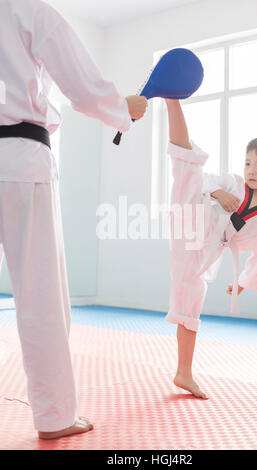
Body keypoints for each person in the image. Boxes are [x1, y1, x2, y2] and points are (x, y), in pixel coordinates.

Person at [0, 0, 147, 440]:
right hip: (20, 160)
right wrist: (124, 108)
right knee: (40, 294)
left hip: (21, 157)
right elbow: (81, 85)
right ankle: (55, 416)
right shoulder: (27, 9)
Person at [164, 98, 257, 399]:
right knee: (188, 163)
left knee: (191, 298)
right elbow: (206, 181)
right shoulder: (232, 183)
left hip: (204, 248)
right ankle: (171, 99)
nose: (251, 170)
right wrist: (217, 191)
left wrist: (242, 283)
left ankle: (183, 372)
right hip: (194, 213)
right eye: (248, 163)